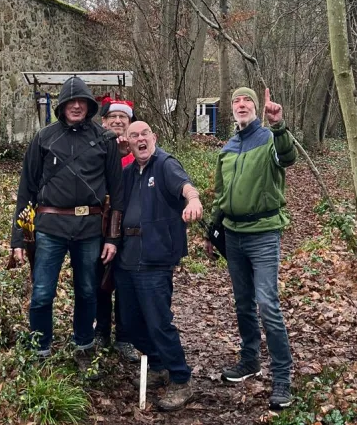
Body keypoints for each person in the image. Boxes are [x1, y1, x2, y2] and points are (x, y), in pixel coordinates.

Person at [11, 76, 123, 374]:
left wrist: (112, 238)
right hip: (49, 228)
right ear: (61, 106)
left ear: (89, 106)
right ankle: (40, 349)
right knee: (42, 293)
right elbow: (26, 189)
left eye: (81, 101)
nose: (76, 106)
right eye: (70, 101)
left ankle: (84, 345)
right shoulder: (43, 138)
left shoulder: (105, 140)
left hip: (90, 229)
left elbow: (118, 194)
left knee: (87, 291)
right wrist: (18, 238)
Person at [204, 86, 297, 410]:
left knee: (267, 303)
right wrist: (212, 230)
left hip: (263, 233)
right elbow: (221, 194)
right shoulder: (228, 148)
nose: (241, 104)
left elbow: (288, 158)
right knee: (243, 302)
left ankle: (282, 378)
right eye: (236, 101)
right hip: (233, 234)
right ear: (231, 108)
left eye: (247, 100)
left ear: (256, 107)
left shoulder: (269, 139)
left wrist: (279, 125)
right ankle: (249, 360)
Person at [115, 121, 203, 411]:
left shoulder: (165, 164)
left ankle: (181, 379)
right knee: (129, 323)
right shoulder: (128, 172)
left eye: (145, 134)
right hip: (127, 256)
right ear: (128, 143)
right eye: (134, 136)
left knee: (158, 321)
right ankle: (158, 364)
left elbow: (186, 186)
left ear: (153, 137)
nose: (140, 139)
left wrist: (193, 200)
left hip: (155, 257)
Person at [96, 97, 139, 362]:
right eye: (113, 116)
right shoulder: (94, 146)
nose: (118, 121)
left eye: (123, 117)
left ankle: (125, 336)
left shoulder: (139, 149)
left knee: (125, 283)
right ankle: (100, 331)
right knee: (99, 280)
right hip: (98, 225)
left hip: (129, 228)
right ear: (103, 121)